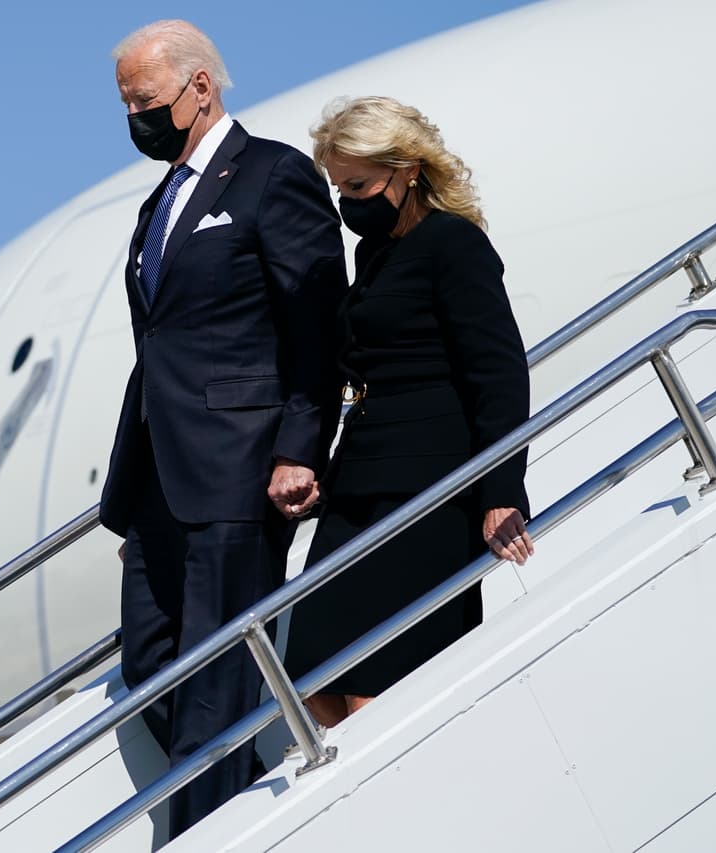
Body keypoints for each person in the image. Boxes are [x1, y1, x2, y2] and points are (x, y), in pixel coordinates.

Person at [98, 20, 346, 836]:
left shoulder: (273, 174)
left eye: (144, 100)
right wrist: (136, 498)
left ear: (199, 87)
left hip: (241, 467)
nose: (134, 117)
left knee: (214, 674)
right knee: (148, 665)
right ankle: (226, 792)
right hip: (160, 481)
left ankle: (207, 832)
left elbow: (315, 320)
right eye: (125, 103)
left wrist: (299, 446)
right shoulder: (159, 204)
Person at [284, 96, 533, 730]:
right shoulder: (373, 254)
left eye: (359, 186)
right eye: (339, 188)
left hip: (431, 485)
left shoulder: (454, 243)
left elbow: (498, 373)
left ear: (408, 169)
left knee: (379, 683)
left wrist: (502, 491)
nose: (348, 203)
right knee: (311, 675)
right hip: (360, 482)